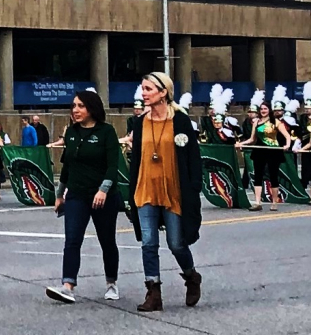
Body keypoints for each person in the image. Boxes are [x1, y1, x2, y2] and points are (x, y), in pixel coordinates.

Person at [127, 71, 204, 312]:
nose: (144, 93)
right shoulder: (139, 122)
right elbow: (137, 157)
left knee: (176, 243)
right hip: (145, 187)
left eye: (149, 89)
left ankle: (191, 277)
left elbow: (192, 157)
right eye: (143, 88)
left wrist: (193, 187)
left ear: (164, 92)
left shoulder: (180, 121)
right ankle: (153, 291)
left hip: (173, 189)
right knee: (148, 242)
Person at [45, 87, 121, 304]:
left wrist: (103, 190)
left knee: (107, 241)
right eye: (74, 106)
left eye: (81, 106)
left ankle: (111, 283)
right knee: (72, 240)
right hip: (77, 195)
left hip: (103, 196)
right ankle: (68, 286)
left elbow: (112, 166)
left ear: (92, 108)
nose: (75, 110)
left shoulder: (106, 132)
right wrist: (60, 195)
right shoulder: (71, 132)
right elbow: (67, 166)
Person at [245, 101, 289, 209]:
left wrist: (287, 145)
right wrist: (240, 143)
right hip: (260, 150)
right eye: (261, 109)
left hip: (273, 150)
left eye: (265, 109)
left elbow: (287, 136)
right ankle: (257, 202)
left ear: (269, 110)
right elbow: (252, 139)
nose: (263, 111)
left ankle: (274, 202)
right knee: (258, 175)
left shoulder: (276, 122)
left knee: (273, 175)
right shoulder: (256, 122)